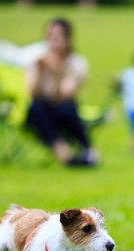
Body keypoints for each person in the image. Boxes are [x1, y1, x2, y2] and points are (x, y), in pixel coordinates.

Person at [25, 18, 97, 167]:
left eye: (57, 37)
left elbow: (66, 94)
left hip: (64, 112)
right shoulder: (37, 60)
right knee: (37, 108)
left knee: (65, 107)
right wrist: (39, 72)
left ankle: (87, 149)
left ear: (68, 39)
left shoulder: (76, 63)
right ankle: (63, 152)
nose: (53, 41)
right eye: (49, 36)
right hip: (40, 112)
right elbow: (31, 93)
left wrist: (57, 72)